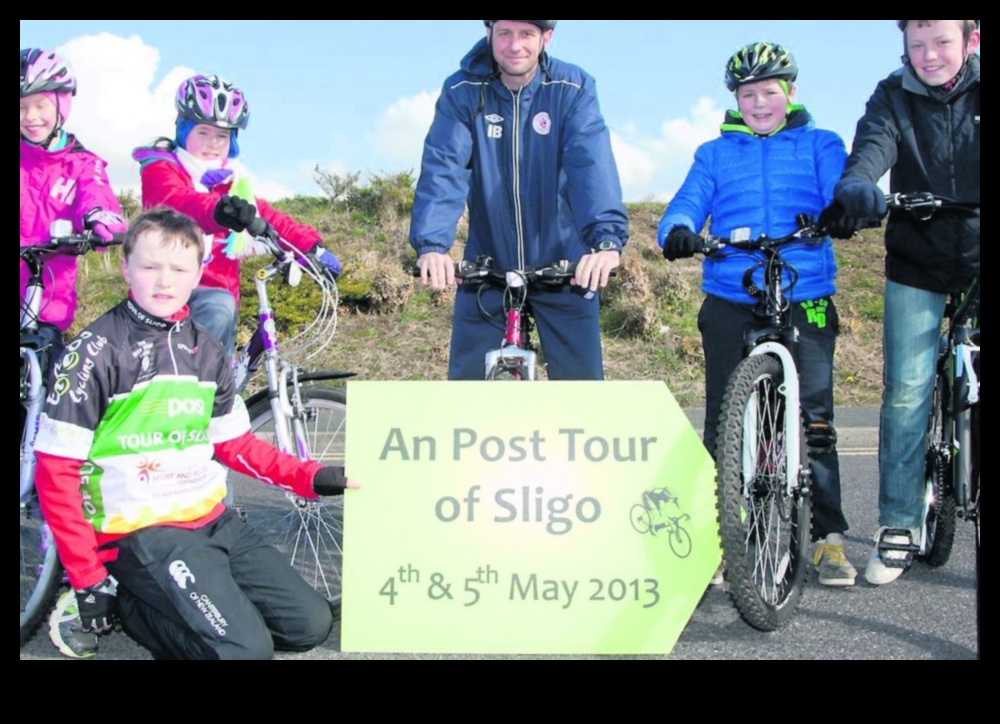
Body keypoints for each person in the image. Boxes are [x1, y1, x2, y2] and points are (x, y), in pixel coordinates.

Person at [34, 207, 354, 660]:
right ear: (125, 267)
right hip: (141, 531)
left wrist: (313, 477)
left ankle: (194, 603)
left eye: (179, 269)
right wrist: (86, 576)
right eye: (149, 267)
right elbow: (55, 473)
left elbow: (235, 445)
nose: (164, 281)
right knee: (247, 651)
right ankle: (128, 602)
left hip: (212, 521)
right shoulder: (95, 352)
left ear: (199, 272)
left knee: (309, 625)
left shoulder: (206, 350)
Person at [659, 42, 856, 587]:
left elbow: (842, 185)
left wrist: (844, 208)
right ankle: (721, 543)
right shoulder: (714, 155)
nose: (760, 102)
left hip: (805, 290)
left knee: (815, 420)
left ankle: (827, 539)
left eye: (770, 91)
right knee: (724, 421)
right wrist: (676, 230)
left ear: (789, 92)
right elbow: (687, 201)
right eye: (749, 94)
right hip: (731, 291)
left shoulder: (819, 143)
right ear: (735, 100)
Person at [829, 20, 980, 585]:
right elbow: (873, 146)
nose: (929, 55)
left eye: (941, 41)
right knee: (906, 392)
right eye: (917, 45)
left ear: (971, 40)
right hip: (917, 254)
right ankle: (897, 525)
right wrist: (859, 186)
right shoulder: (892, 93)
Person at [410, 20, 629, 380]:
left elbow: (589, 165)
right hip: (487, 265)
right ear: (489, 34)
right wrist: (432, 244)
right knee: (466, 399)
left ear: (546, 37)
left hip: (564, 267)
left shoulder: (572, 88)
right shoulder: (462, 90)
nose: (515, 46)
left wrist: (605, 241)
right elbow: (445, 167)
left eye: (526, 34)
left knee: (584, 398)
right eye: (505, 34)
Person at [132, 74, 341, 355]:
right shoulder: (161, 168)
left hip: (222, 299)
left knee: (226, 356)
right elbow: (176, 201)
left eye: (223, 136)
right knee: (219, 310)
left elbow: (267, 217)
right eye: (203, 132)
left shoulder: (233, 183)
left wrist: (311, 248)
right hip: (169, 295)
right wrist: (217, 210)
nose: (213, 143)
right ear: (183, 131)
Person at [20, 47, 127, 341]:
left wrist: (99, 218)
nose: (30, 116)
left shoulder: (82, 164)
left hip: (47, 307)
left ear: (61, 104)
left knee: (48, 373)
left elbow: (96, 194)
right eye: (21, 107)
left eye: (40, 105)